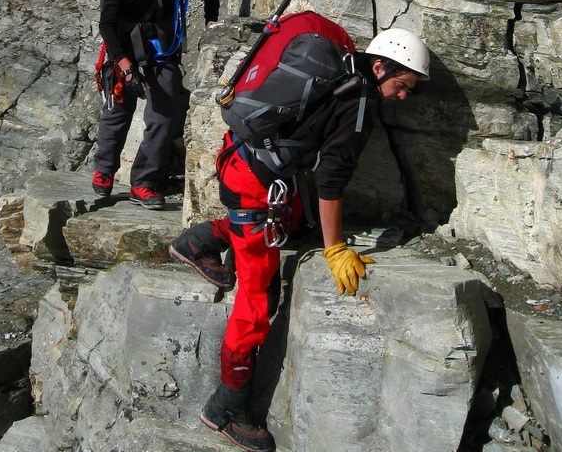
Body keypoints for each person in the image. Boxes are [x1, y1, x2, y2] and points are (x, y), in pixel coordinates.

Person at [169, 25, 430, 452]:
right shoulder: (359, 100)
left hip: (240, 155)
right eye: (402, 86)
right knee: (257, 302)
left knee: (289, 224)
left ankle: (197, 242)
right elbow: (331, 181)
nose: (404, 97)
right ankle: (225, 408)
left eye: (410, 90)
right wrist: (334, 247)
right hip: (254, 185)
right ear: (379, 66)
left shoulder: (344, 67)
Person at [92, 0, 219, 209]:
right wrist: (122, 63)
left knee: (163, 117)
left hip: (162, 50)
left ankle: (144, 183)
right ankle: (104, 170)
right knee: (118, 112)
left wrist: (213, 27)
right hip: (123, 49)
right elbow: (107, 24)